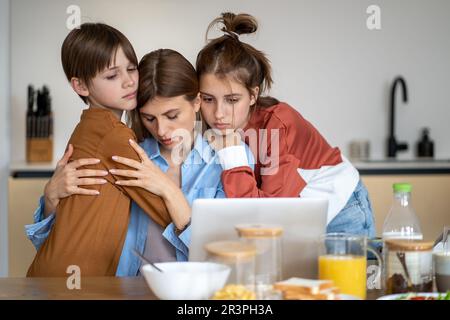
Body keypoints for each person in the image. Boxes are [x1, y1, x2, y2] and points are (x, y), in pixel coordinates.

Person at [26, 48, 254, 276]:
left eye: (172, 115)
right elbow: (68, 243)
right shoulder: (124, 156)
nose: (162, 130)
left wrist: (166, 189)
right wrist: (51, 200)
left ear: (196, 102)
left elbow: (223, 253)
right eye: (149, 118)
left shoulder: (229, 160)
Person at [196, 12, 375, 237]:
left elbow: (266, 219)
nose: (218, 114)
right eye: (208, 99)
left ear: (253, 95)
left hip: (341, 210)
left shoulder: (278, 125)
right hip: (298, 215)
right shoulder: (209, 126)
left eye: (232, 100)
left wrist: (232, 153)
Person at [26, 23, 174, 277]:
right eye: (111, 76)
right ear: (81, 86)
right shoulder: (112, 134)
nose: (129, 82)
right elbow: (165, 211)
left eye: (131, 68)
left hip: (58, 273)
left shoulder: (89, 127)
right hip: (70, 283)